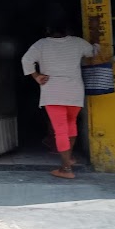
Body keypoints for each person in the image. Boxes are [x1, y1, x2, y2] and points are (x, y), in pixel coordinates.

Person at [21, 17, 96, 179]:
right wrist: (96, 42)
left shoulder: (41, 44)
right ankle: (69, 159)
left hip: (53, 92)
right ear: (68, 30)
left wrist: (36, 76)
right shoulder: (78, 42)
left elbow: (26, 59)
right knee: (71, 126)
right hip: (74, 91)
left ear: (48, 29)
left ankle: (66, 169)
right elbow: (92, 52)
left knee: (60, 130)